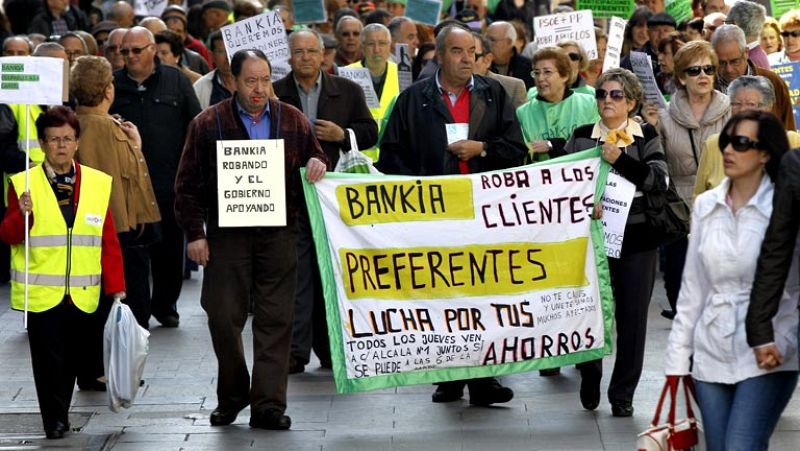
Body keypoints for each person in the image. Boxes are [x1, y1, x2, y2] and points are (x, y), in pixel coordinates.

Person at [175, 49, 328, 430]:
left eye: (265, 80)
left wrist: (317, 164)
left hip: (279, 235)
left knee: (276, 320)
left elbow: (317, 157)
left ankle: (268, 405)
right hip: (228, 236)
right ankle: (233, 393)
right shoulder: (208, 123)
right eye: (250, 81)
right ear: (233, 81)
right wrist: (196, 234)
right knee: (223, 316)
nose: (259, 89)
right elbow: (187, 185)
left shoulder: (292, 120)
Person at [378, 26, 526, 405]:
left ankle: (484, 378)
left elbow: (516, 151)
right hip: (435, 217)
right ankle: (448, 375)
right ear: (439, 56)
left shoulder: (494, 95)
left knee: (482, 295)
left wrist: (482, 149)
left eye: (472, 52)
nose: (466, 59)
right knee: (443, 297)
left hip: (482, 213)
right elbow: (392, 160)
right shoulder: (413, 101)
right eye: (458, 51)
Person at [666, 111, 796, 450]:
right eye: (726, 141)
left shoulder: (785, 203)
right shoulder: (707, 205)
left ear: (765, 152)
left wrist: (783, 336)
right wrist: (677, 360)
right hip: (711, 349)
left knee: (741, 446)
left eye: (741, 143)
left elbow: (792, 283)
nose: (728, 151)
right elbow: (693, 290)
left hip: (768, 348)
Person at [0, 106, 125, 439]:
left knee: (73, 359)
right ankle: (53, 419)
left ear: (77, 141)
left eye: (67, 139)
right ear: (42, 143)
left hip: (84, 291)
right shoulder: (24, 184)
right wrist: (21, 214)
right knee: (47, 360)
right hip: (42, 292)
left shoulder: (97, 184)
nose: (61, 146)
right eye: (54, 139)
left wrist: (117, 287)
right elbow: (9, 234)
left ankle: (60, 412)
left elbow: (107, 239)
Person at [564, 68, 668, 417]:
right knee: (591, 313)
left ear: (632, 102)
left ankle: (622, 393)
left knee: (632, 319)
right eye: (601, 94)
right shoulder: (580, 136)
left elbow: (658, 179)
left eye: (616, 95)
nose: (607, 100)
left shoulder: (645, 135)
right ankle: (590, 372)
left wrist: (619, 159)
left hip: (637, 240)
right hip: (591, 242)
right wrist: (582, 202)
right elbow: (562, 186)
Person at [274, 29, 378, 374]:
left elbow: (370, 131)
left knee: (333, 274)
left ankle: (333, 347)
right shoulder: (276, 94)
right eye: (298, 52)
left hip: (334, 199)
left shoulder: (347, 90)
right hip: (291, 195)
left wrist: (342, 136)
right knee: (297, 275)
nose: (305, 57)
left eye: (311, 51)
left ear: (323, 55)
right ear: (289, 57)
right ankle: (296, 351)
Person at [70, 55, 161, 388]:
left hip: (109, 226)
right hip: (115, 229)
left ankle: (96, 368)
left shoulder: (91, 123)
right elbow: (118, 179)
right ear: (107, 89)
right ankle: (102, 369)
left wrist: (134, 143)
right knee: (117, 300)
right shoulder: (101, 127)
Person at [110, 27, 202, 329]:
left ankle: (165, 305)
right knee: (135, 252)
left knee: (169, 251)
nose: (130, 57)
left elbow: (195, 125)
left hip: (167, 183)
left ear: (152, 49)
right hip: (128, 187)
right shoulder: (114, 85)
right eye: (125, 52)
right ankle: (138, 310)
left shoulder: (176, 81)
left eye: (137, 50)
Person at [643, 40, 730, 320]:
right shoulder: (666, 116)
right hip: (678, 214)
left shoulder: (731, 111)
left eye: (708, 69)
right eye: (694, 71)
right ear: (681, 77)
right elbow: (657, 166)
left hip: (722, 210)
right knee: (679, 288)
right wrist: (651, 130)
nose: (703, 75)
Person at [694, 75, 800, 198]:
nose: (743, 110)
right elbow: (698, 198)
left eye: (751, 104)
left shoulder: (792, 141)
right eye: (736, 104)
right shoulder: (714, 144)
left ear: (768, 107)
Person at [516, 46, 598, 163]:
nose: (540, 78)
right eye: (536, 73)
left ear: (564, 75)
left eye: (547, 72)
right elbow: (521, 155)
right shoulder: (523, 113)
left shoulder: (589, 104)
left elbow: (596, 144)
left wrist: (552, 145)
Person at [711, 25, 795, 130]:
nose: (729, 69)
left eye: (734, 61)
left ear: (746, 53)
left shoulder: (774, 82)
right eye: (721, 63)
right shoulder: (706, 88)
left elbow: (788, 129)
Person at [347, 23, 398, 162]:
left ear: (390, 45)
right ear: (362, 46)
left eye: (382, 43)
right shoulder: (347, 74)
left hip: (392, 156)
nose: (377, 50)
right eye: (371, 44)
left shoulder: (402, 74)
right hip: (358, 157)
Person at [473, 34, 526, 109]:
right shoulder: (452, 88)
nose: (466, 60)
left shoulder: (512, 87)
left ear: (487, 60)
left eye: (473, 56)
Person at [485, 21, 534, 89]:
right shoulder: (480, 65)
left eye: (492, 40)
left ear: (509, 42)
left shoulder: (528, 67)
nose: (487, 44)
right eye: (485, 39)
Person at [193, 31, 234, 110]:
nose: (228, 57)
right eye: (221, 51)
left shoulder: (253, 81)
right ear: (211, 56)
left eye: (231, 50)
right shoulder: (200, 87)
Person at [725, 0, 769, 69]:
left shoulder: (748, 61)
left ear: (734, 25)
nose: (724, 28)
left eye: (726, 23)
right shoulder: (757, 55)